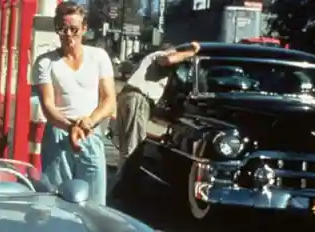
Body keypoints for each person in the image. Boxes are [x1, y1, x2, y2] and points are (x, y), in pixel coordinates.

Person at [32, 1, 116, 205]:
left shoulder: (99, 57)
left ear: (84, 29)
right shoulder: (45, 62)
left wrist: (88, 122)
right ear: (56, 29)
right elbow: (48, 106)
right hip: (58, 136)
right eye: (63, 29)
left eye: (74, 29)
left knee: (94, 204)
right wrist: (71, 127)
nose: (68, 34)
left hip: (91, 134)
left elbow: (109, 99)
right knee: (56, 201)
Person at [111, 42, 201, 167]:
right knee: (133, 148)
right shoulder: (161, 55)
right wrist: (191, 53)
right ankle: (129, 182)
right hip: (138, 99)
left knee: (126, 146)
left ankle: (122, 178)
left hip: (127, 97)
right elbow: (169, 59)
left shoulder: (151, 65)